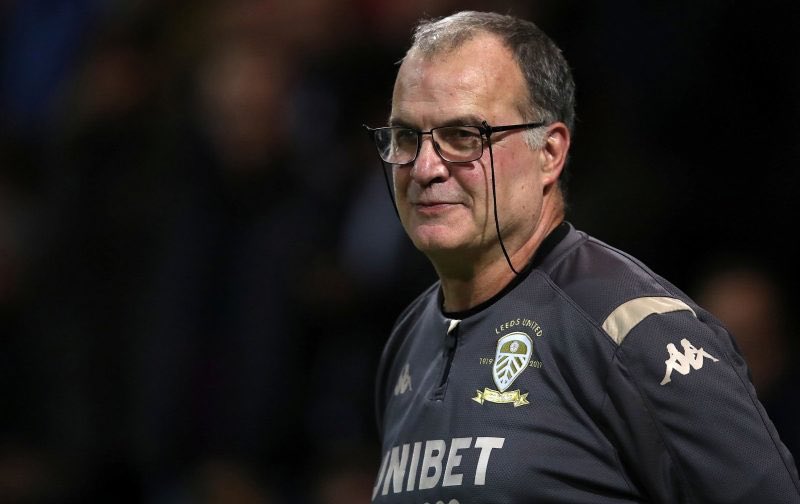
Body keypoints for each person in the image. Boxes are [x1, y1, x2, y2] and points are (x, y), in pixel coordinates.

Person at [363, 10, 800, 503]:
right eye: (405, 137)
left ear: (549, 152)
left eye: (463, 136)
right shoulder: (407, 340)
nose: (425, 168)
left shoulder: (634, 330)